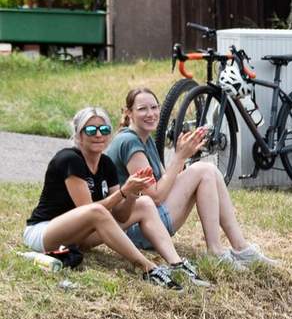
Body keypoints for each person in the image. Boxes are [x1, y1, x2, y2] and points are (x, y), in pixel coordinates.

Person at [110, 86, 274, 269]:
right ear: (129, 113)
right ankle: (216, 251)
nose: (151, 114)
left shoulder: (144, 138)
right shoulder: (129, 142)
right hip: (136, 229)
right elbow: (155, 196)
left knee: (209, 172)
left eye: (154, 107)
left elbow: (165, 181)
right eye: (142, 109)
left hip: (150, 222)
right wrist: (179, 158)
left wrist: (182, 155)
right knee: (204, 170)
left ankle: (241, 248)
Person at [22, 106, 184, 290]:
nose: (98, 134)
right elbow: (88, 210)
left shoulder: (106, 164)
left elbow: (121, 215)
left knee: (144, 203)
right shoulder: (69, 159)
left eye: (104, 129)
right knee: (97, 211)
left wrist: (132, 194)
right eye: (91, 130)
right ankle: (148, 268)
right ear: (79, 135)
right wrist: (123, 191)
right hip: (45, 232)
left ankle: (177, 263)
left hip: (78, 238)